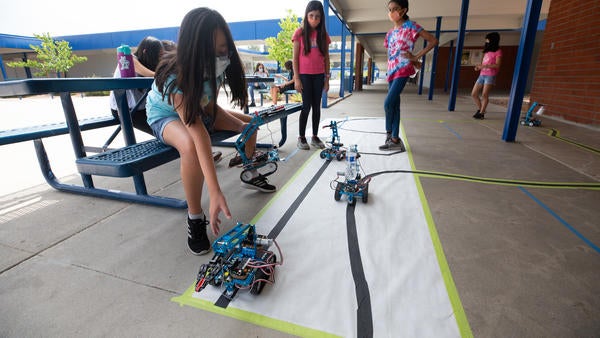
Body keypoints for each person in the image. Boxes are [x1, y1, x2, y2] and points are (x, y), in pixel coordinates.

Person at [146, 7, 276, 255]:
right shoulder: (176, 77)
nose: (220, 58)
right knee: (190, 146)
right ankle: (195, 217)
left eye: (223, 51)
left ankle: (249, 172)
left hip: (196, 111)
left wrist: (241, 127)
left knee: (251, 123)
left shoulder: (214, 71)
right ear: (193, 51)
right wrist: (215, 191)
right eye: (212, 53)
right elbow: (196, 129)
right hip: (165, 117)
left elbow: (209, 108)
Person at [380, 0, 437, 151]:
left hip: (404, 68)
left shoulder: (411, 26)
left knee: (387, 103)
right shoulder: (390, 33)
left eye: (395, 9)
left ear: (403, 10)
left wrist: (416, 57)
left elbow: (433, 40)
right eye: (390, 9)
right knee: (395, 105)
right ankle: (395, 139)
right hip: (391, 70)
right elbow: (391, 52)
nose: (392, 12)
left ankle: (389, 135)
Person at [292, 0, 331, 150]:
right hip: (305, 76)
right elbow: (295, 58)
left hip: (319, 76)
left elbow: (326, 58)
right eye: (311, 16)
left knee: (317, 107)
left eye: (317, 17)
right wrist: (297, 79)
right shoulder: (299, 33)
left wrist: (326, 79)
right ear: (306, 15)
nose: (314, 19)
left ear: (321, 18)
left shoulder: (323, 35)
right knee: (306, 106)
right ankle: (301, 137)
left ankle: (315, 136)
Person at [110, 36, 163, 136]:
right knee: (165, 132)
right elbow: (151, 74)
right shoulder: (128, 58)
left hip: (142, 109)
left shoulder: (148, 65)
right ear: (145, 51)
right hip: (124, 110)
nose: (160, 59)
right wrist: (162, 74)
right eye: (158, 55)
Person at [471, 32, 502, 120]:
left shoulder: (498, 51)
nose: (486, 41)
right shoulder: (487, 51)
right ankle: (481, 110)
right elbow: (484, 63)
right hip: (482, 74)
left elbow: (497, 65)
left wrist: (485, 66)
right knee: (474, 94)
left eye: (487, 39)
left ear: (493, 40)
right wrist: (479, 67)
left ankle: (481, 113)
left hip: (490, 75)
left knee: (484, 95)